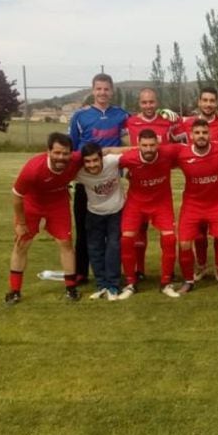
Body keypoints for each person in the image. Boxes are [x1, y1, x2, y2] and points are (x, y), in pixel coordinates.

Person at [4, 133, 84, 304]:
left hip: (58, 204)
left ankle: (71, 288)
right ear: (48, 151)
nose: (61, 157)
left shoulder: (76, 159)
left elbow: (103, 152)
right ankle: (14, 291)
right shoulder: (33, 169)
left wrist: (134, 149)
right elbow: (17, 196)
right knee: (21, 244)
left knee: (66, 243)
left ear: (71, 153)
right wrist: (21, 223)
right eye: (57, 153)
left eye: (65, 153)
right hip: (32, 204)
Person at [68, 73, 129, 285]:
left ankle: (112, 273)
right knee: (85, 229)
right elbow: (72, 150)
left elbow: (137, 133)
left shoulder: (121, 115)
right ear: (93, 90)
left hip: (110, 181)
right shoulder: (80, 116)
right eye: (99, 89)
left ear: (112, 91)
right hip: (86, 180)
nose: (102, 93)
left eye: (106, 89)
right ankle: (81, 271)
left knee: (114, 233)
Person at [173, 87, 218, 279]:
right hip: (196, 188)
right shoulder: (187, 124)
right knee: (198, 232)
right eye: (205, 100)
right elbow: (171, 139)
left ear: (217, 103)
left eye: (212, 101)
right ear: (199, 102)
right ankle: (200, 264)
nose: (208, 104)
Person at [118, 130, 182, 297]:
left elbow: (189, 149)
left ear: (158, 144)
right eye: (144, 145)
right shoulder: (128, 158)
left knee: (169, 238)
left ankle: (166, 283)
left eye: (152, 145)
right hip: (136, 204)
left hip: (161, 204)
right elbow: (109, 163)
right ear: (138, 145)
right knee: (126, 240)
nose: (148, 149)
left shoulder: (168, 153)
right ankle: (131, 283)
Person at [125, 88, 179, 283]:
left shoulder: (168, 122)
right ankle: (139, 269)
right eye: (144, 102)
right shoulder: (130, 121)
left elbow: (187, 127)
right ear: (139, 104)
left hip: (160, 183)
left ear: (157, 102)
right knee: (138, 231)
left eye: (151, 102)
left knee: (167, 234)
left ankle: (168, 272)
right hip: (137, 181)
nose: (148, 106)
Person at [74, 142, 126, 300]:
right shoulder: (79, 172)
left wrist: (110, 149)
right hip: (94, 214)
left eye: (95, 160)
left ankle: (113, 286)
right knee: (95, 249)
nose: (92, 165)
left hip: (116, 212)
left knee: (113, 248)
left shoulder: (112, 161)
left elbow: (135, 151)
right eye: (87, 161)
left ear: (101, 158)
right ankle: (101, 284)